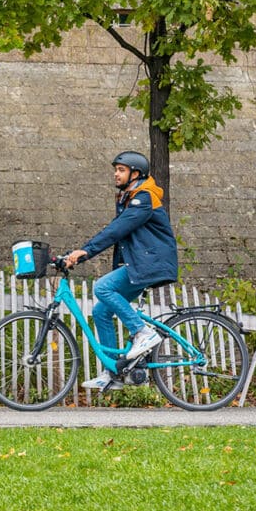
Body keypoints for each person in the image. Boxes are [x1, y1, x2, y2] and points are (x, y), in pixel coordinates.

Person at [64, 151, 178, 390]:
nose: (116, 174)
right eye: (115, 169)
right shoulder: (129, 197)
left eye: (121, 170)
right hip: (140, 263)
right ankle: (114, 373)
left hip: (150, 264)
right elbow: (121, 234)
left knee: (103, 287)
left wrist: (85, 251)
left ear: (135, 174)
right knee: (101, 312)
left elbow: (117, 230)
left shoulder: (143, 198)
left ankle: (142, 333)